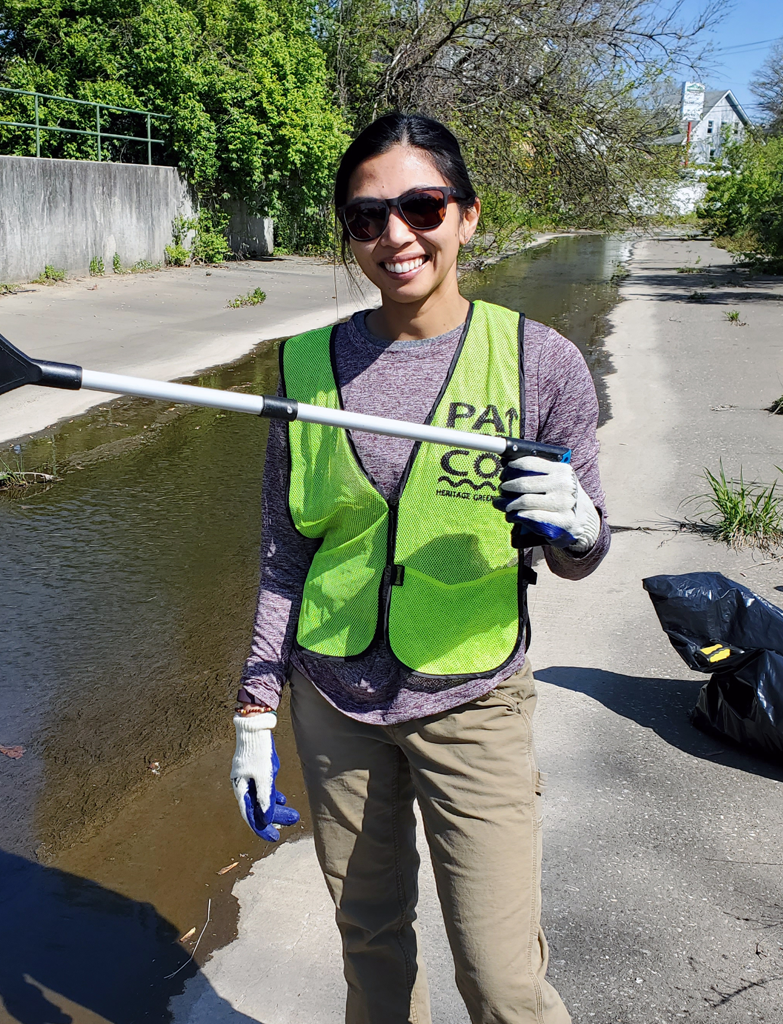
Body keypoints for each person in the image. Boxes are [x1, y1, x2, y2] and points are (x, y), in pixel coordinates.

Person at [230, 111, 609, 1024]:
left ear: (467, 216)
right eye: (367, 218)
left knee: (503, 978)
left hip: (473, 696)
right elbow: (288, 547)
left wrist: (578, 527)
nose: (396, 236)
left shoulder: (541, 363)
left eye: (422, 206)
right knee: (373, 954)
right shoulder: (304, 365)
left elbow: (579, 562)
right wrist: (253, 709)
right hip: (335, 702)